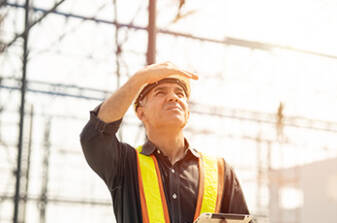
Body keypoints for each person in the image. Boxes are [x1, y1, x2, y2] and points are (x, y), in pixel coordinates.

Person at [80, 62, 251, 223]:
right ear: (141, 113)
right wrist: (140, 78)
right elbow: (94, 135)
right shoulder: (125, 164)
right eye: (160, 92)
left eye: (179, 93)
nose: (173, 97)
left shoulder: (221, 171)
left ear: (187, 114)